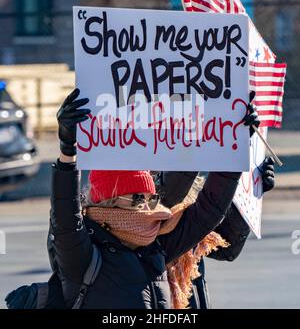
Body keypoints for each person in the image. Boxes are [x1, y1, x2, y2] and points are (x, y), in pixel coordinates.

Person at [48, 88, 260, 309]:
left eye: (151, 199)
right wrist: (67, 148)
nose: (149, 209)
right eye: (138, 198)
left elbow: (210, 210)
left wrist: (235, 144)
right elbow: (64, 211)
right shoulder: (81, 253)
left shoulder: (154, 246)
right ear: (109, 201)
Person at [155, 156, 275, 309]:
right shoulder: (130, 209)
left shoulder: (188, 195)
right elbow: (166, 204)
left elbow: (225, 246)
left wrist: (251, 191)